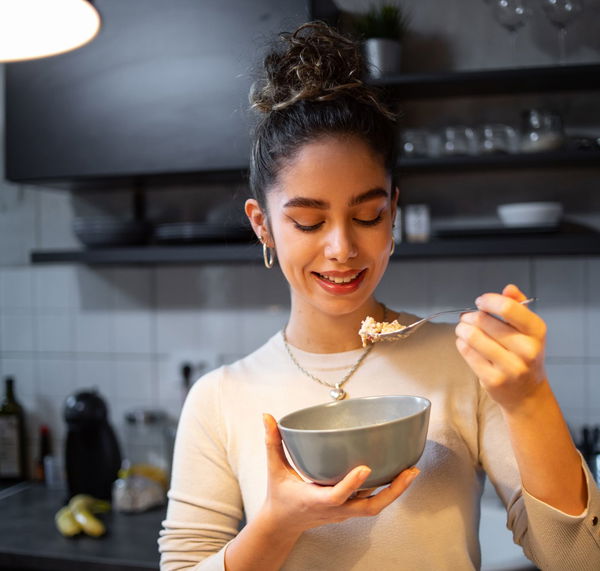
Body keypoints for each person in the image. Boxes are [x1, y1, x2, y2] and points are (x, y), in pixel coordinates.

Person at [159, 22, 600, 570]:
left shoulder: (465, 367)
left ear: (393, 209)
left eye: (367, 216)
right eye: (307, 222)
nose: (342, 248)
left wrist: (529, 397)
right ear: (264, 226)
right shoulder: (219, 399)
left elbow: (580, 559)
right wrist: (278, 523)